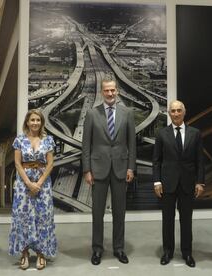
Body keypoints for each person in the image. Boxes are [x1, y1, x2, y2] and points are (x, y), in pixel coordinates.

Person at [82, 76, 136, 265]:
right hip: (98, 170)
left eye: (113, 90)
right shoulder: (91, 114)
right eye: (106, 90)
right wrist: (87, 170)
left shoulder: (127, 113)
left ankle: (119, 249)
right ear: (102, 92)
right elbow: (86, 145)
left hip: (121, 169)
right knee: (97, 213)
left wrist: (131, 167)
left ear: (117, 91)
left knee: (119, 212)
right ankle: (97, 249)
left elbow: (132, 144)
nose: (110, 93)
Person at [152, 100, 205, 268]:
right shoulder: (161, 134)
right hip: (167, 183)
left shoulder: (195, 133)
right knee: (167, 219)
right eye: (173, 111)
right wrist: (157, 181)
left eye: (178, 110)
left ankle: (187, 252)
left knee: (186, 220)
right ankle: (167, 251)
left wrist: (200, 182)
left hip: (188, 183)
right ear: (169, 113)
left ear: (184, 112)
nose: (175, 113)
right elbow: (156, 161)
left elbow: (200, 161)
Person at [9, 109, 57, 270]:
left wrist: (39, 183)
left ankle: (41, 253)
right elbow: (17, 163)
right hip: (24, 184)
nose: (35, 123)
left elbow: (50, 164)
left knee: (43, 218)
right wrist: (29, 183)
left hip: (43, 184)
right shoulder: (19, 140)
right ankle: (24, 253)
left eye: (38, 120)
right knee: (22, 217)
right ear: (27, 122)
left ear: (41, 122)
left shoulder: (48, 140)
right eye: (32, 120)